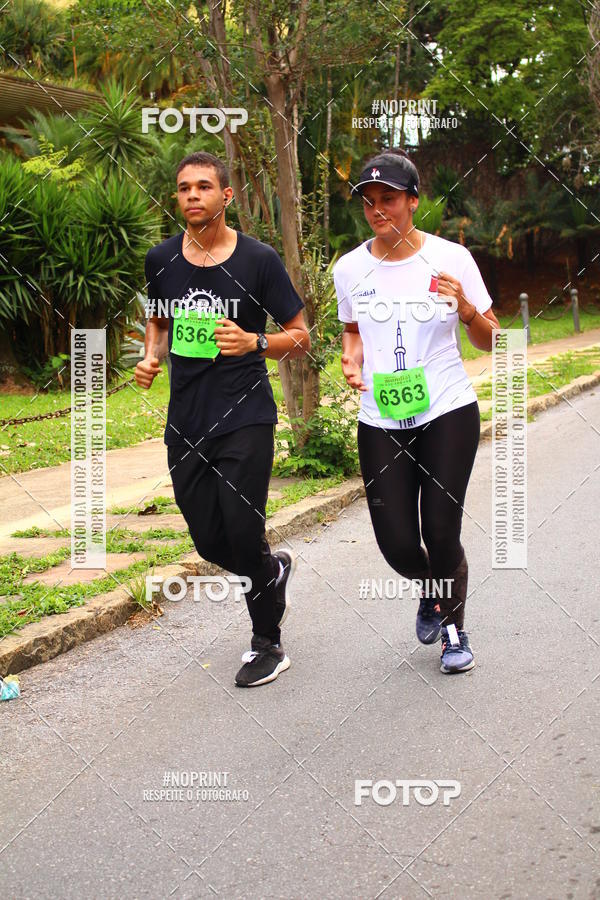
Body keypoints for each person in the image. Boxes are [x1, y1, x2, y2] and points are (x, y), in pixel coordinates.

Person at [135, 151, 310, 687]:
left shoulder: (258, 259)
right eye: (184, 187)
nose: (193, 195)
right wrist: (151, 355)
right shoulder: (160, 259)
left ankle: (267, 641)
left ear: (226, 196)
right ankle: (271, 570)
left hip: (246, 414)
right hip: (186, 417)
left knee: (241, 525)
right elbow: (158, 321)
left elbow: (301, 335)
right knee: (211, 542)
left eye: (205, 186)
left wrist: (254, 340)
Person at [333, 149, 500, 673]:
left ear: (412, 202)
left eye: (389, 199)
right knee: (398, 543)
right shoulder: (351, 268)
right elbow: (354, 334)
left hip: (447, 407)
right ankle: (434, 588)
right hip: (381, 415)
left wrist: (468, 310)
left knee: (441, 530)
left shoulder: (452, 258)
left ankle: (454, 631)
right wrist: (351, 361)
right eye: (369, 201)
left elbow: (491, 341)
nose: (378, 209)